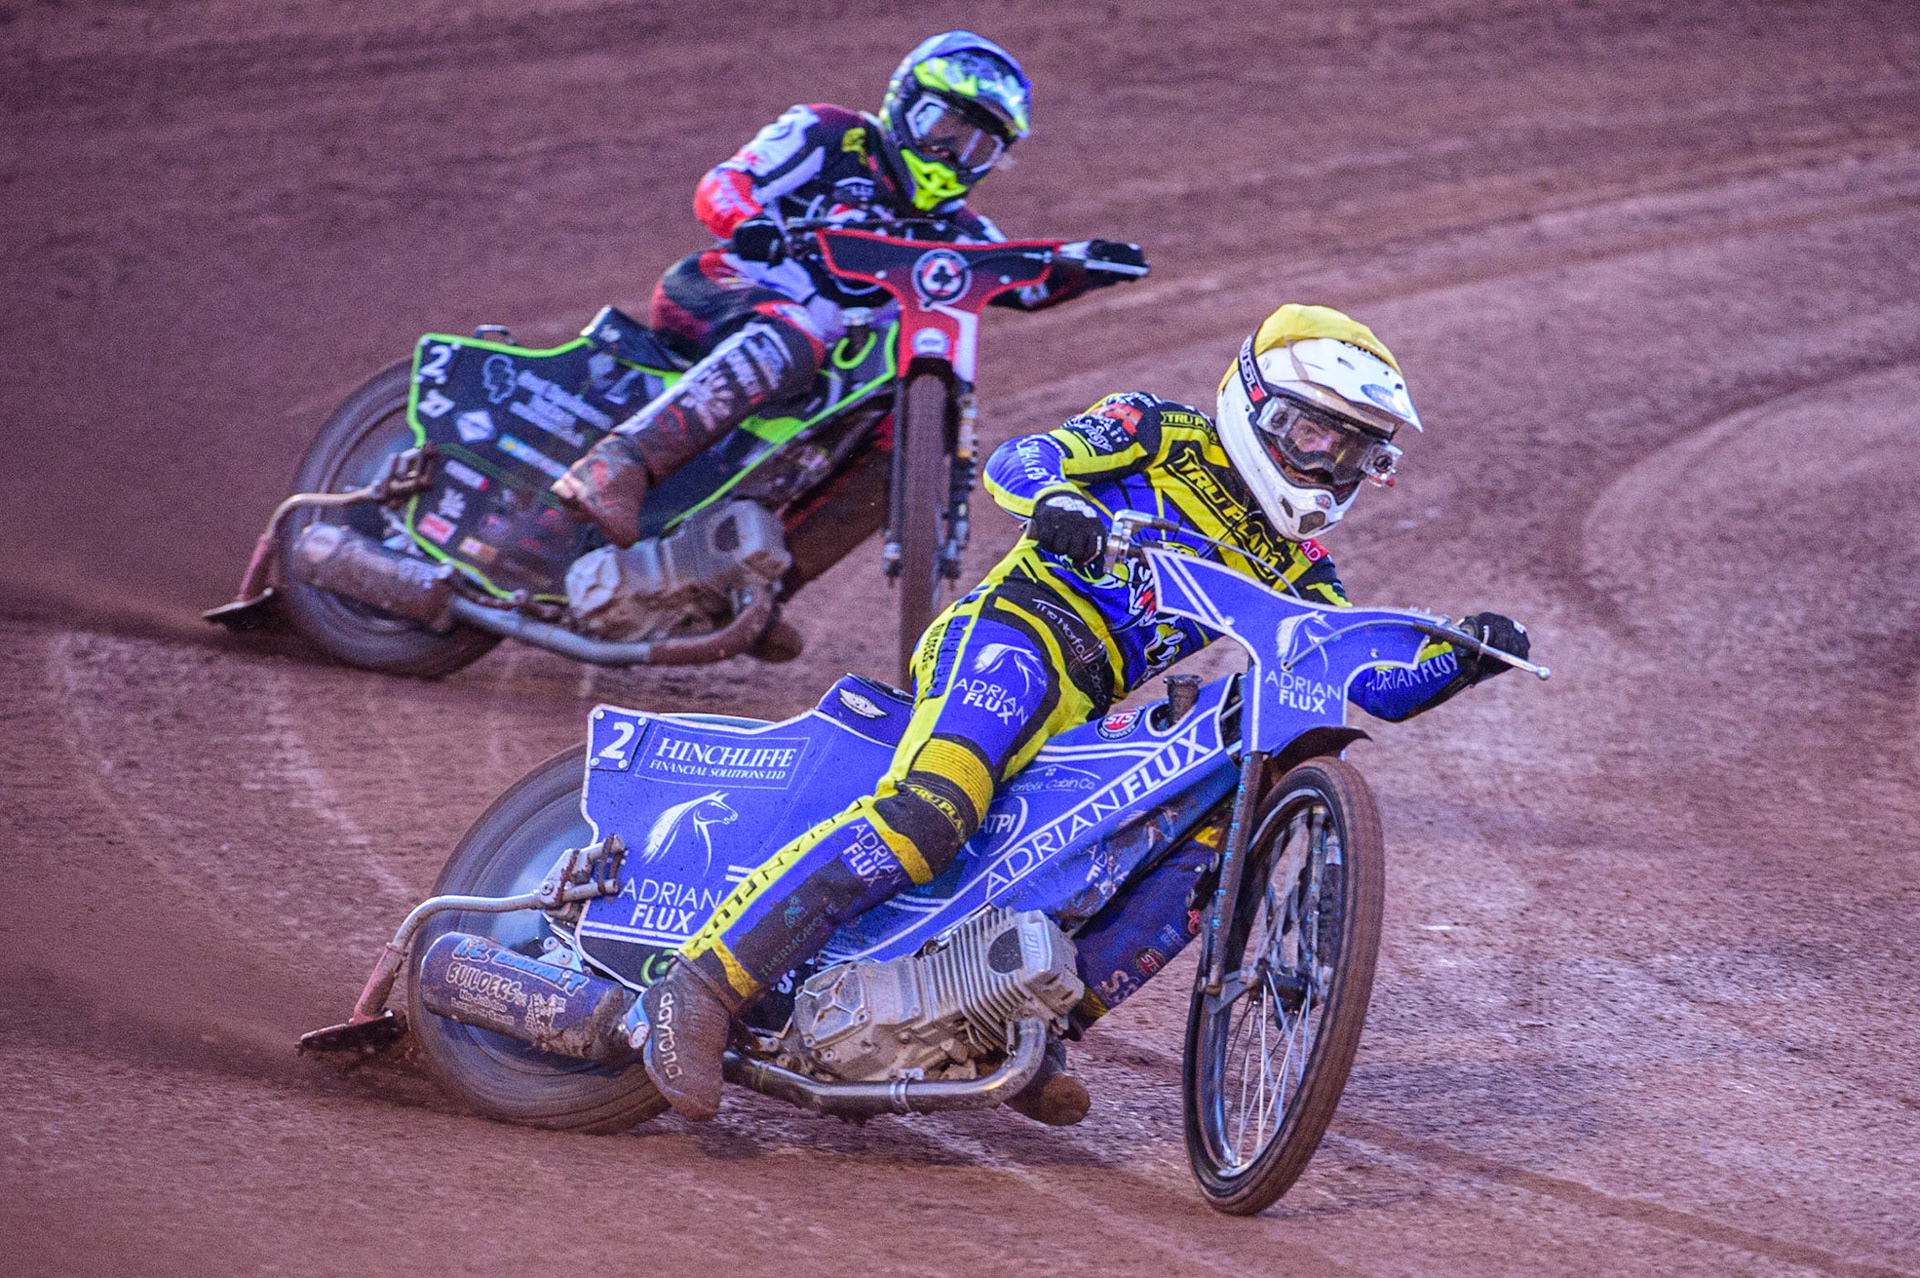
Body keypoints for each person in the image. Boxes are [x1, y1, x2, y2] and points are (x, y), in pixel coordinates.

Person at [634, 303, 1532, 1124]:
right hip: (1014, 637)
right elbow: (1024, 460)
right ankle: (704, 985)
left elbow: (1365, 681)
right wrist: (1058, 500)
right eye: (1308, 433)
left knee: (1204, 852)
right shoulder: (1159, 430)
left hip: (1085, 712)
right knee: (935, 809)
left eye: (1348, 451)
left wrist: (1465, 657)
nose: (1323, 463)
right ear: (1252, 403)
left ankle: (1025, 1030)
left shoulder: (1304, 566)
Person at [550, 30, 1147, 548]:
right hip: (724, 288)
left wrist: (1084, 265)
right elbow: (725, 182)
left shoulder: (960, 230)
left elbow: (1020, 279)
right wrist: (750, 221)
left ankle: (764, 583)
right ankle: (614, 466)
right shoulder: (832, 134)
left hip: (818, 363)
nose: (951, 151)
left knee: (902, 431)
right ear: (906, 103)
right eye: (945, 124)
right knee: (796, 334)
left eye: (978, 145)